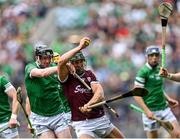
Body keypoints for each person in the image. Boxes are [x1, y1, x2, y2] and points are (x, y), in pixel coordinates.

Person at [58, 37, 124, 139]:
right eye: (76, 62)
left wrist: (89, 104)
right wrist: (80, 47)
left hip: (100, 119)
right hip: (82, 124)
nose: (79, 65)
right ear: (70, 64)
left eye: (81, 61)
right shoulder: (65, 77)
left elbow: (99, 93)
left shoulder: (89, 74)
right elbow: (61, 61)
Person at [24, 44, 72, 138]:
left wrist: (67, 66)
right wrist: (61, 67)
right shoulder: (30, 67)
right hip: (39, 118)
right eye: (44, 58)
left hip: (58, 115)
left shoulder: (54, 67)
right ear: (37, 57)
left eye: (49, 58)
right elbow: (42, 73)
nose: (47, 61)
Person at [134, 45, 180, 138]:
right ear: (147, 57)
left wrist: (168, 99)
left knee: (177, 135)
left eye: (156, 55)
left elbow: (157, 88)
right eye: (151, 55)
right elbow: (136, 94)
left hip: (164, 109)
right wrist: (147, 111)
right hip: (150, 111)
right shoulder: (143, 72)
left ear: (159, 56)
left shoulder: (160, 70)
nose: (154, 58)